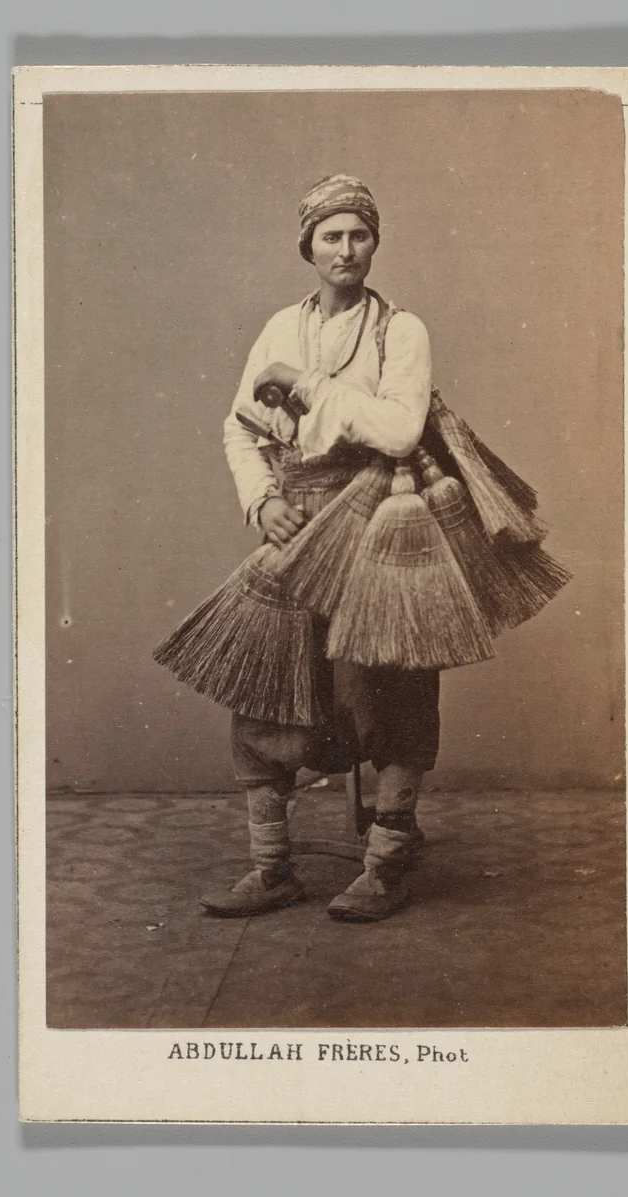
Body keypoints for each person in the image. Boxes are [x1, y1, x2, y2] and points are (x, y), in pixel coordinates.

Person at [199, 174, 439, 923]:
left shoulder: (401, 331)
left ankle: (387, 863)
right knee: (267, 689)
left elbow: (400, 432)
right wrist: (262, 499)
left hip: (377, 523)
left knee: (389, 688)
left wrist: (302, 386)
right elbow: (240, 425)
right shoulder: (280, 327)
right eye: (331, 237)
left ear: (375, 241)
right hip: (296, 524)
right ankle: (272, 868)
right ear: (309, 247)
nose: (346, 249)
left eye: (359, 234)